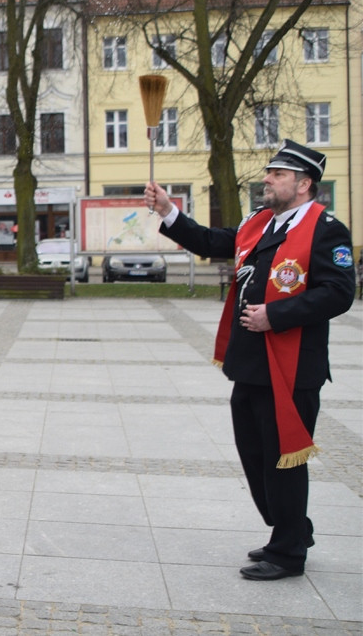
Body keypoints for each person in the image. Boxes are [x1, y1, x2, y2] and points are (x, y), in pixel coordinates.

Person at [144, 140, 356, 581]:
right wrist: (167, 210)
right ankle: (292, 528)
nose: (267, 180)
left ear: (304, 184)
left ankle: (288, 553)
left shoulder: (325, 229)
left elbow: (339, 293)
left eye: (277, 175)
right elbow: (211, 241)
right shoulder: (260, 222)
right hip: (252, 364)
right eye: (269, 173)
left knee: (284, 459)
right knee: (256, 455)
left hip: (292, 367)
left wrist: (275, 315)